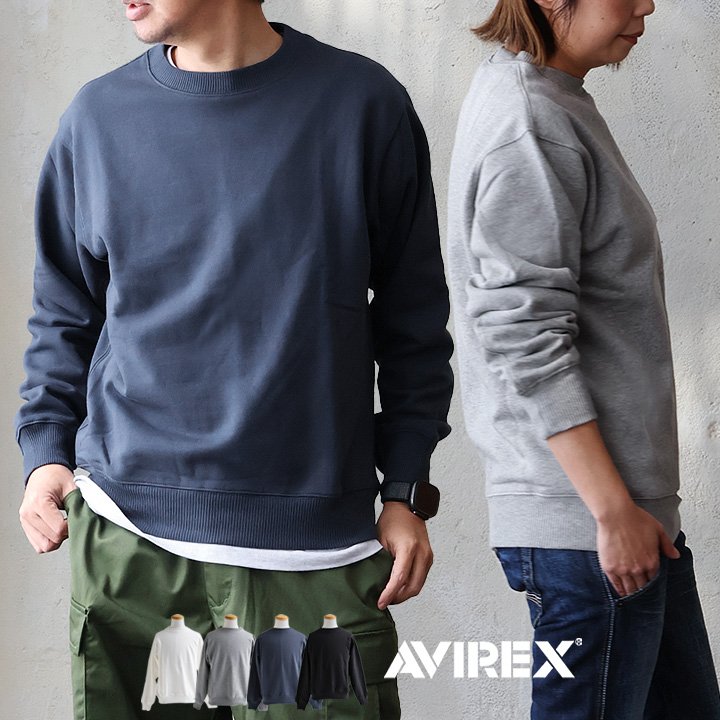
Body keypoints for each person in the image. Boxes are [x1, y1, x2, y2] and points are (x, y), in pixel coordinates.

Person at [14, 1, 454, 718]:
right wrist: (45, 457)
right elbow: (65, 313)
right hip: (129, 544)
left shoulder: (363, 106)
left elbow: (414, 318)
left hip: (313, 555)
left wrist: (404, 488)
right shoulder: (97, 118)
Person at [446, 1, 720, 718]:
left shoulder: (550, 101)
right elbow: (521, 331)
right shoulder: (530, 121)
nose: (646, 5)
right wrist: (608, 509)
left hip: (622, 522)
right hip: (592, 531)